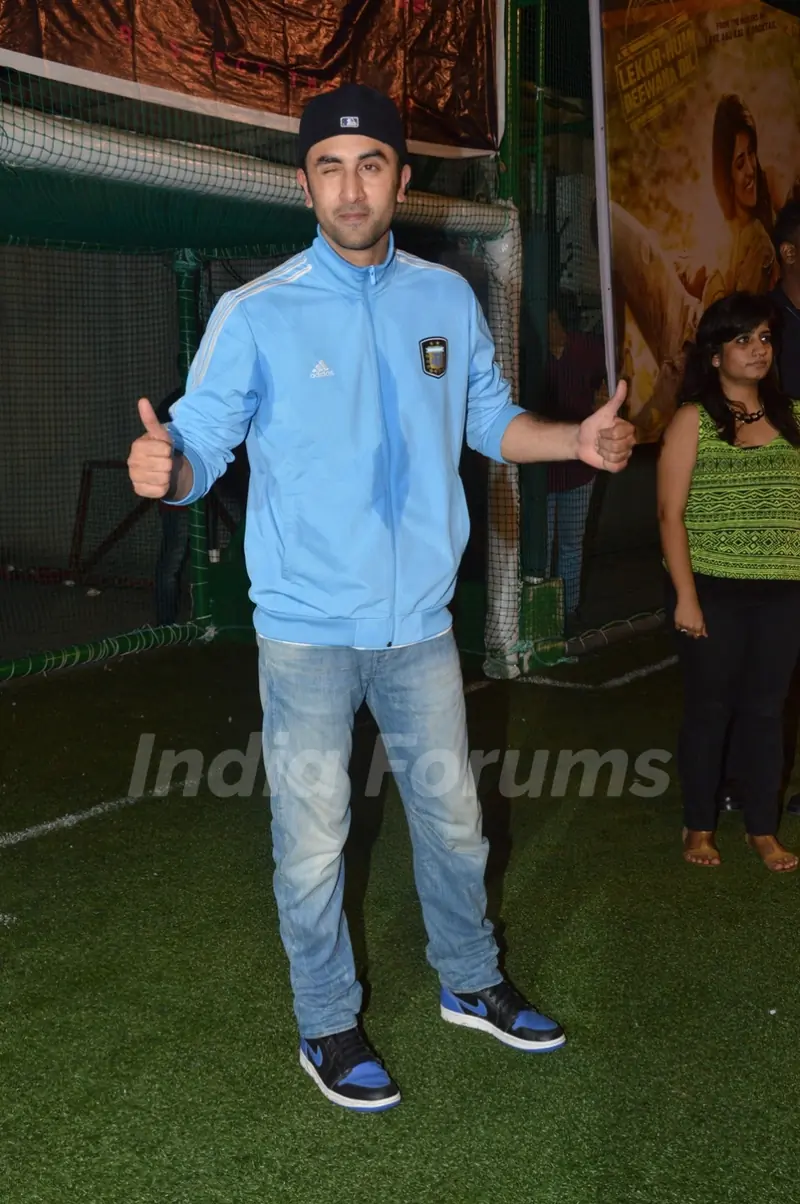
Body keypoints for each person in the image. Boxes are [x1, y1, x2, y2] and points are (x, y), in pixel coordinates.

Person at [127, 83, 635, 1113]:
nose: (351, 188)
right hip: (307, 634)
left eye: (370, 166)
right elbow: (199, 442)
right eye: (330, 167)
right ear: (305, 183)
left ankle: (469, 980)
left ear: (401, 179)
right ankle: (327, 1022)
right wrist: (169, 468)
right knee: (313, 845)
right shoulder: (255, 313)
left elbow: (489, 420)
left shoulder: (445, 299)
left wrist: (573, 440)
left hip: (420, 630)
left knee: (454, 822)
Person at [657, 291, 800, 872]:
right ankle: (699, 825)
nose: (758, 349)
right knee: (710, 710)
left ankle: (762, 829)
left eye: (764, 338)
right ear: (715, 355)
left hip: (783, 591)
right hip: (712, 589)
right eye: (743, 339)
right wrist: (686, 597)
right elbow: (670, 515)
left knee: (767, 711)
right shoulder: (692, 420)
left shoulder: (794, 417)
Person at [543, 299, 607, 629]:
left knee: (571, 543)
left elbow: (612, 377)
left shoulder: (587, 350)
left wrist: (603, 398)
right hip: (541, 471)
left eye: (552, 321)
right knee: (540, 546)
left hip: (580, 470)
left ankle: (568, 611)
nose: (548, 328)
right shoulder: (531, 353)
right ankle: (541, 614)